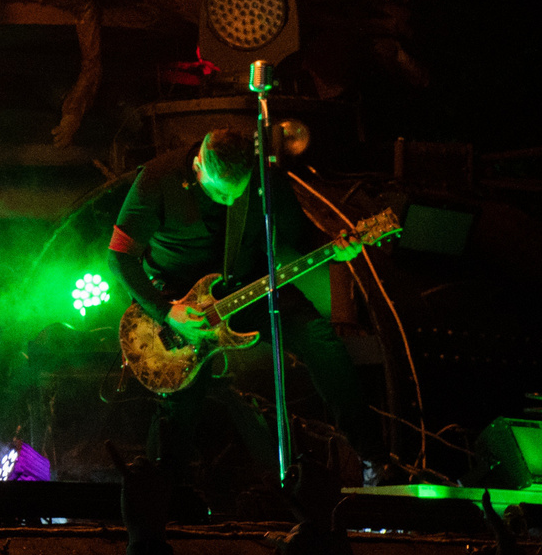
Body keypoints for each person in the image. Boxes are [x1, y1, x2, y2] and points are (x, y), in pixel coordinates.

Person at [105, 128, 367, 487]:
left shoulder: (266, 179)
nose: (227, 201)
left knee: (322, 343)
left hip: (247, 287)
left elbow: (299, 237)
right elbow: (120, 256)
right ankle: (162, 496)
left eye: (236, 193)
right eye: (216, 191)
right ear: (197, 164)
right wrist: (165, 310)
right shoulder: (157, 178)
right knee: (182, 398)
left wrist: (335, 246)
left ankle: (372, 456)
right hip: (180, 301)